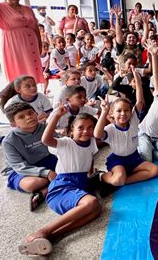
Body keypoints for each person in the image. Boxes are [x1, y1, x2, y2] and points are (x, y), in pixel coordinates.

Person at [18, 109, 101, 257]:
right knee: (91, 202)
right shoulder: (66, 143)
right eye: (80, 128)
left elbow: (90, 156)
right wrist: (56, 116)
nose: (86, 131)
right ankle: (43, 231)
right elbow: (46, 140)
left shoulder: (91, 143)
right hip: (61, 188)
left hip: (79, 186)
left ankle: (52, 237)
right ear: (71, 131)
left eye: (90, 128)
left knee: (96, 210)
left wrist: (90, 172)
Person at [94, 72, 158, 191]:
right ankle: (101, 176)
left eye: (126, 110)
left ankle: (123, 181)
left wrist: (137, 80)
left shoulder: (134, 120)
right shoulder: (111, 129)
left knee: (155, 170)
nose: (123, 113)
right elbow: (97, 134)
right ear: (112, 113)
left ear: (131, 112)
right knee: (117, 179)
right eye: (119, 111)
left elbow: (139, 101)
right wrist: (104, 112)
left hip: (134, 158)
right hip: (118, 159)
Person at [1, 102, 57, 211]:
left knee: (72, 166)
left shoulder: (45, 127)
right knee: (33, 184)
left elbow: (59, 145)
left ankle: (44, 191)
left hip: (47, 160)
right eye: (21, 117)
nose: (28, 117)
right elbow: (19, 166)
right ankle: (53, 182)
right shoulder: (9, 141)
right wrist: (47, 173)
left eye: (30, 113)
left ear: (36, 113)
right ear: (13, 124)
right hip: (21, 169)